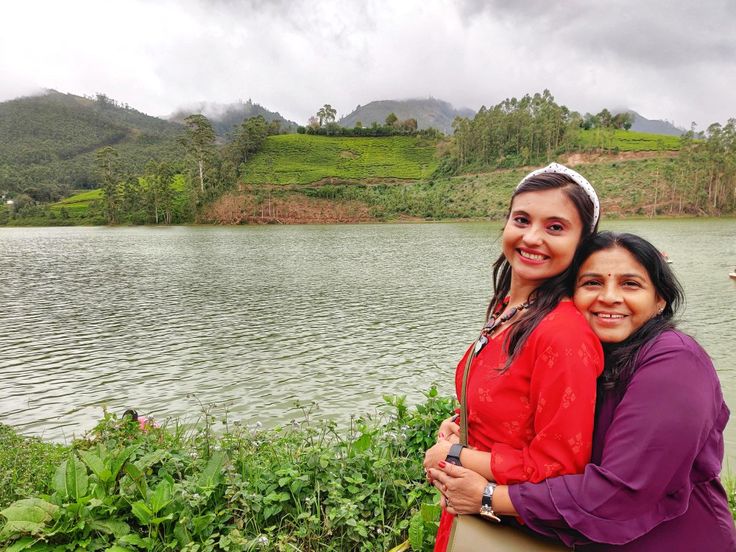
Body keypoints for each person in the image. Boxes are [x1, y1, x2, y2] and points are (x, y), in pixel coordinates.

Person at [429, 232, 736, 550]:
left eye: (630, 284)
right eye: (592, 283)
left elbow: (622, 490)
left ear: (660, 300)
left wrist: (487, 496)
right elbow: (537, 417)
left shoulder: (674, 362)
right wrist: (462, 427)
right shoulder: (588, 354)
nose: (610, 297)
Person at [423, 163, 605, 551]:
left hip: (509, 528)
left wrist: (456, 454)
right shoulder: (510, 308)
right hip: (469, 515)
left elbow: (559, 467)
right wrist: (459, 424)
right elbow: (510, 405)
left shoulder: (562, 333)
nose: (532, 237)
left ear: (581, 244)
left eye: (555, 227)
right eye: (521, 219)